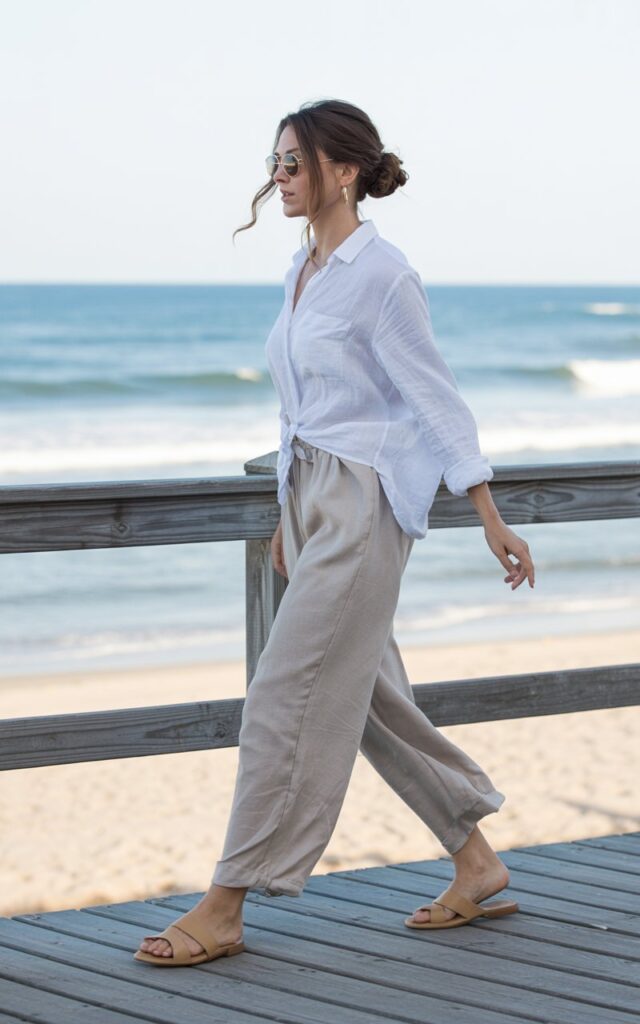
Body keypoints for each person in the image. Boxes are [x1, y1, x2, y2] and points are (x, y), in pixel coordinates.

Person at [134, 98, 534, 967]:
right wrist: (287, 509)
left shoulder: (384, 275)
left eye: (292, 162)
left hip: (365, 501)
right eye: (274, 161)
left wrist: (488, 515)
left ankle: (229, 901)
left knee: (286, 691)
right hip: (313, 500)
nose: (276, 176)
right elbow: (296, 407)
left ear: (342, 171)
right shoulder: (303, 269)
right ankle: (477, 862)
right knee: (368, 697)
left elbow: (435, 397)